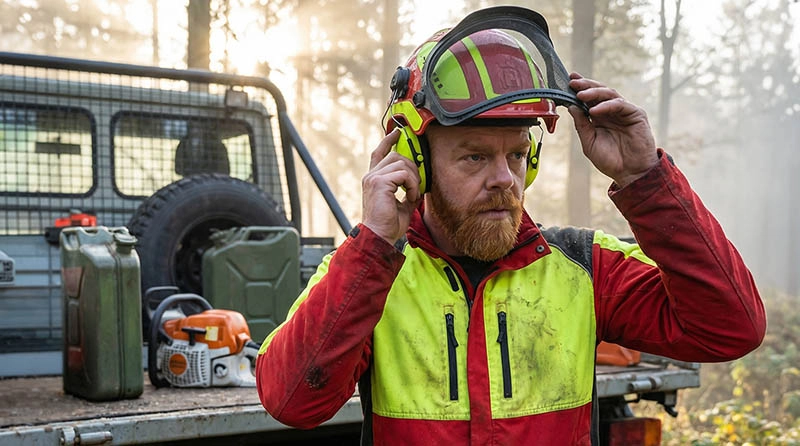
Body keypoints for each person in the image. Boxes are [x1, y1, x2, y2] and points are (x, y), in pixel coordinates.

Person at [255, 7, 766, 445]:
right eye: (475, 157)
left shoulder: (584, 268)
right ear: (417, 161)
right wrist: (374, 246)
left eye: (518, 154)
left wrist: (644, 178)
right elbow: (291, 400)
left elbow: (732, 328)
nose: (505, 180)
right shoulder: (371, 277)